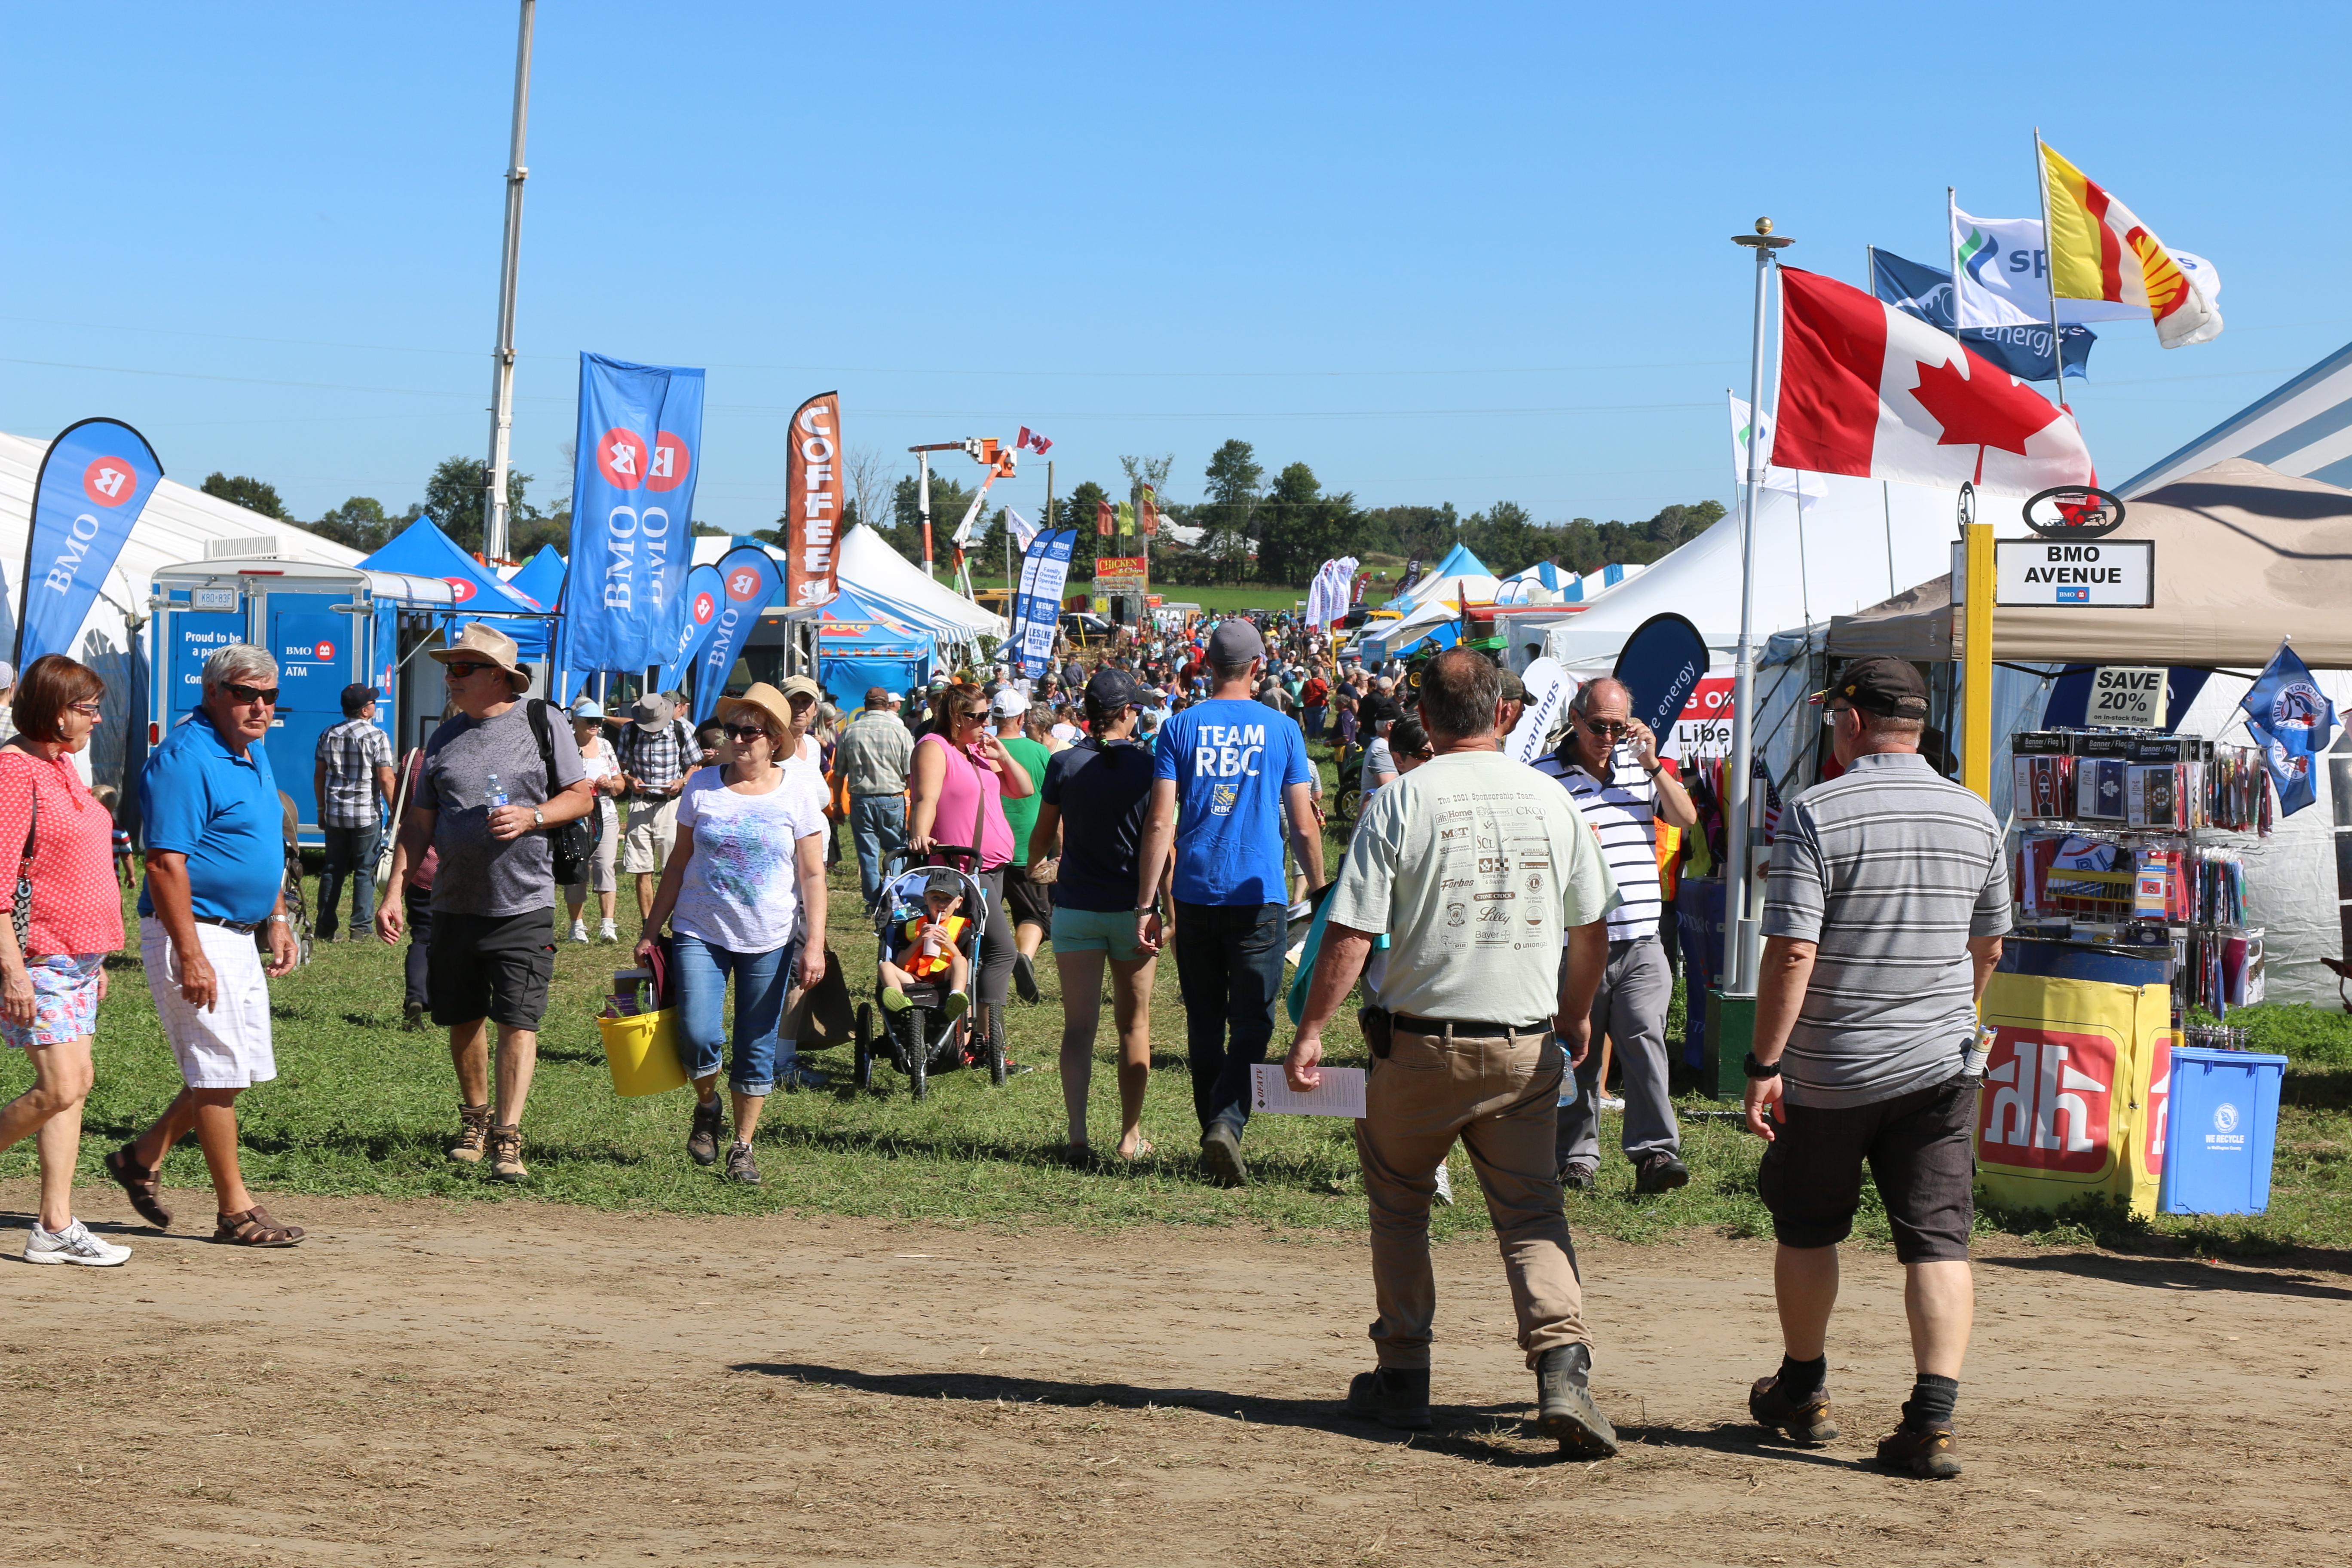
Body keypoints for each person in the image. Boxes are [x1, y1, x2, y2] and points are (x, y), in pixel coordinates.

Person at [1284, 648, 1620, 1452]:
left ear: (1423, 718)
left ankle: (1403, 1372)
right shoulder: (1552, 798)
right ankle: (1562, 1365)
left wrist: (1310, 1030)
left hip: (1418, 1048)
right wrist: (1575, 1017)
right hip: (1523, 1046)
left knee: (1400, 1203)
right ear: (1503, 713)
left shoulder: (1400, 801)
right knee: (1532, 1211)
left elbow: (1352, 931)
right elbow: (1592, 928)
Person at [1742, 657, 2009, 1481]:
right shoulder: (1976, 814)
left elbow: (1791, 951)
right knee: (1936, 1240)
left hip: (1831, 1070)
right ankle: (1931, 1417)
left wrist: (1763, 1062)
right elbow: (1989, 944)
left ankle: (1804, 1386)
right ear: (1918, 725)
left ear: (1851, 721)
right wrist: (1947, 1016)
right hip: (1938, 1067)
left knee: (1808, 1224)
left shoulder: (1816, 812)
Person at [377, 623, 594, 1184]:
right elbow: (418, 824)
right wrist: (395, 889)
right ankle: (475, 1119)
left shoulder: (541, 723)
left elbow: (581, 796)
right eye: (449, 668)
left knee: (518, 1021)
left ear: (499, 676)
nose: (450, 678)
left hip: (523, 902)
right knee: (463, 1018)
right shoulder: (443, 740)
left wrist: (533, 816)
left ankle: (508, 1135)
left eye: (462, 668)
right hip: (452, 902)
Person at [115, 645, 305, 1247]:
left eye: (269, 697)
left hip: (240, 933)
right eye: (246, 693)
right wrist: (190, 952)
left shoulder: (251, 750)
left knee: (233, 1072)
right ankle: (235, 1211)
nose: (259, 706)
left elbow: (267, 839)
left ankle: (141, 1157)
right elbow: (165, 863)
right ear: (214, 692)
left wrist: (277, 915)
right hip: (196, 929)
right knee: (220, 1071)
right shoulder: (184, 758)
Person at [1133, 618, 1323, 1188]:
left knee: (1204, 1019)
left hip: (1193, 892)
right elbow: (1305, 823)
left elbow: (1161, 820)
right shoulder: (1283, 730)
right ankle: (1225, 1124)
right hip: (1258, 893)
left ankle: (1213, 1132)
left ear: (1206, 666)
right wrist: (1319, 889)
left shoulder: (1178, 727)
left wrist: (1147, 902)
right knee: (1253, 1023)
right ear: (1259, 668)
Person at [637, 683, 831, 1184]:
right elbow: (678, 864)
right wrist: (650, 930)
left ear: (774, 740)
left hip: (769, 935)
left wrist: (814, 945)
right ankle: (708, 1106)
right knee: (699, 1034)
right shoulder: (702, 786)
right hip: (699, 929)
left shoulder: (798, 791)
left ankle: (743, 1148)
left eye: (751, 732)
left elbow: (812, 874)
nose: (740, 740)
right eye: (733, 731)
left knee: (756, 1043)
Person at [1534, 677, 1700, 1194]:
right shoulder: (1544, 776)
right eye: (1599, 726)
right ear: (1576, 719)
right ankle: (1575, 1156)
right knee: (1573, 1051)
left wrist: (1652, 762)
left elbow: (1686, 817)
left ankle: (1655, 1154)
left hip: (1643, 939)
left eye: (1618, 726)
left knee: (1644, 1040)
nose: (1608, 736)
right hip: (1574, 942)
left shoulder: (1639, 768)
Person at [0, 656, 129, 1264]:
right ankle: (54, 1225)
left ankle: (54, 1225)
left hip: (75, 959)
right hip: (37, 959)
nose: (98, 718)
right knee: (61, 1085)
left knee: (77, 1089)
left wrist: (94, 955)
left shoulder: (61, 768)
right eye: (88, 708)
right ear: (57, 711)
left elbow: (69, 864)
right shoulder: (14, 770)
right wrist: (11, 970)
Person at [1031, 669, 1160, 1161]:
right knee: (1135, 1027)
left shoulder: (1064, 764)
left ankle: (1078, 1136)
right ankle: (1130, 1137)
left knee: (1078, 1027)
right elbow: (1161, 841)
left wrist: (1033, 862)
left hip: (1076, 909)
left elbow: (1043, 834)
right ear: (1126, 713)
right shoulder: (1150, 767)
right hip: (1132, 911)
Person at [907, 682, 1035, 1051]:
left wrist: (1003, 755)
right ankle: (987, 1040)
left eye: (988, 716)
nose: (986, 723)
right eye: (977, 717)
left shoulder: (976, 752)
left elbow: (1023, 789)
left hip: (991, 868)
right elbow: (925, 798)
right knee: (1002, 951)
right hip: (961, 869)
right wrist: (919, 835)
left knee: (975, 951)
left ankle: (971, 1035)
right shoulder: (935, 748)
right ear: (954, 717)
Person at [310, 683, 395, 943]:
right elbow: (386, 779)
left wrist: (321, 809)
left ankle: (324, 928)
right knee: (364, 870)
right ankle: (360, 929)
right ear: (365, 710)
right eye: (373, 703)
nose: (375, 706)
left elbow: (319, 775)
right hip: (366, 814)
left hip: (336, 812)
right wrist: (398, 813)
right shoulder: (377, 737)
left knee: (332, 869)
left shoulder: (328, 734)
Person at [616, 691, 702, 928]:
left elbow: (696, 766)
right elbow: (621, 768)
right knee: (641, 867)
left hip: (671, 805)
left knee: (673, 866)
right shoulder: (630, 731)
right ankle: (648, 922)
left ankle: (678, 917)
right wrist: (630, 779)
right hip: (641, 802)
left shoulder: (681, 730)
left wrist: (681, 782)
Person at [990, 689, 1054, 1004]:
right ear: (1021, 718)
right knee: (1036, 916)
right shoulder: (1039, 752)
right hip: (1028, 846)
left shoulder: (981, 748)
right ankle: (1024, 958)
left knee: (983, 914)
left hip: (988, 846)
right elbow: (1053, 804)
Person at [839, 685, 915, 913]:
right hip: (892, 798)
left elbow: (839, 771)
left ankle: (873, 903)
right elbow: (910, 772)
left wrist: (835, 803)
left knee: (867, 854)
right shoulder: (900, 731)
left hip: (861, 799)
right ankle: (896, 897)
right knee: (897, 851)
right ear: (886, 704)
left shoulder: (851, 731)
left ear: (865, 704)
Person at [565, 700, 623, 943]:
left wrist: (610, 784)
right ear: (576, 722)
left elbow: (620, 786)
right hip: (574, 818)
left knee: (605, 867)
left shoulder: (606, 746)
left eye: (598, 721)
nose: (595, 726)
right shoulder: (565, 745)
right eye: (590, 721)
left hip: (606, 815)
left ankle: (607, 925)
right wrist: (577, 786)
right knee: (577, 868)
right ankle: (576, 927)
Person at [879, 873, 971, 1020]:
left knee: (960, 961)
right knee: (885, 966)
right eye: (936, 898)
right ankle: (902, 1003)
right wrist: (919, 940)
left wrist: (949, 944)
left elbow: (964, 964)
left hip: (945, 976)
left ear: (959, 902)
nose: (942, 904)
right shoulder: (910, 927)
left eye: (948, 900)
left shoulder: (963, 929)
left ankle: (955, 997)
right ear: (926, 899)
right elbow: (901, 964)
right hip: (913, 978)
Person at [1302, 670, 1329, 741]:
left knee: (1310, 723)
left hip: (1309, 705)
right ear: (1319, 674)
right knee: (1319, 723)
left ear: (1311, 674)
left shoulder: (1307, 683)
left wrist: (1305, 704)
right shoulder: (1322, 683)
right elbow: (1325, 694)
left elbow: (1303, 695)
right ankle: (1318, 739)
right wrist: (1328, 704)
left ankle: (1309, 739)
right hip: (1320, 705)